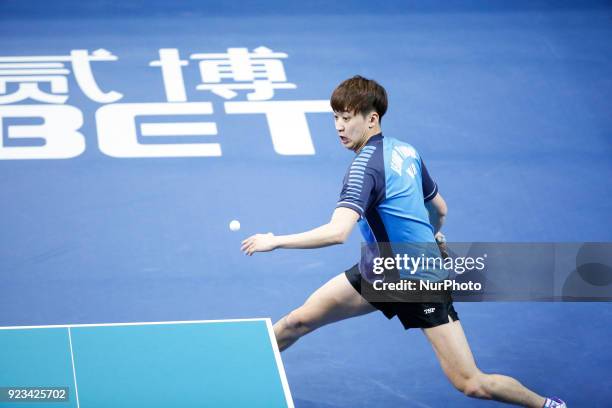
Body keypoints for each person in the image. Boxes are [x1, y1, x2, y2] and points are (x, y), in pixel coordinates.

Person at [240, 75, 566, 408]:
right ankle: (239, 374)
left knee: (471, 383)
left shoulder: (363, 169)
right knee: (299, 320)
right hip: (380, 271)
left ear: (371, 119)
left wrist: (276, 240)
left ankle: (547, 406)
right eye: (335, 117)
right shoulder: (406, 151)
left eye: (347, 117)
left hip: (418, 282)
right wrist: (433, 234)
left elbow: (338, 232)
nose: (339, 126)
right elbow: (439, 208)